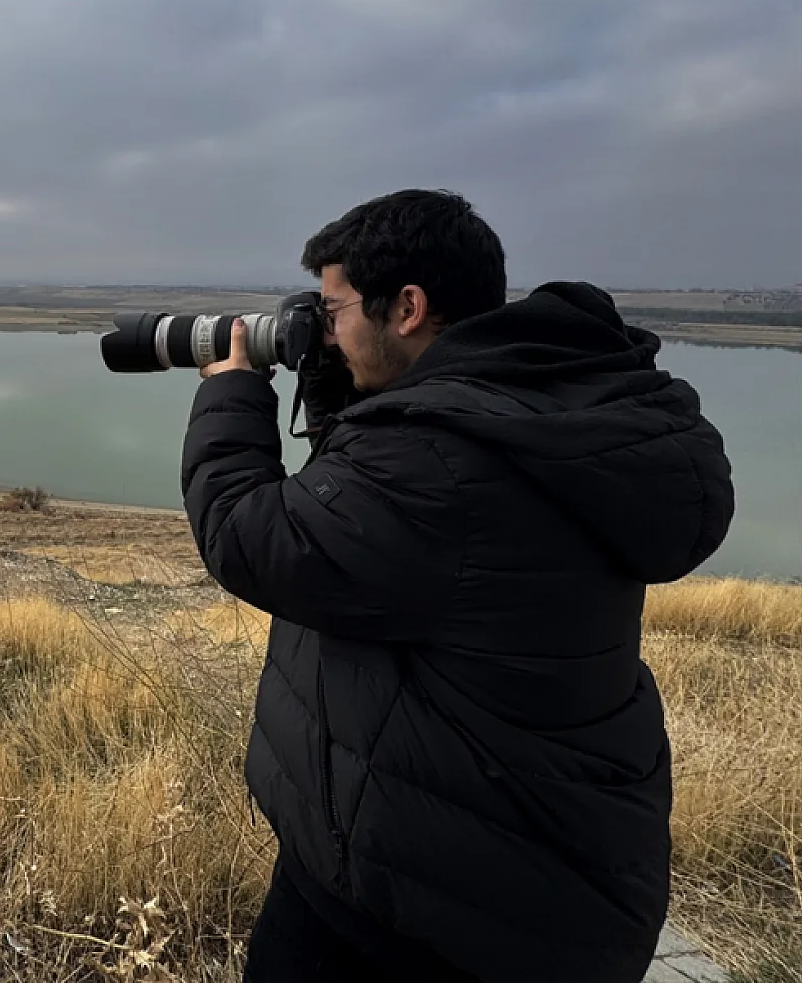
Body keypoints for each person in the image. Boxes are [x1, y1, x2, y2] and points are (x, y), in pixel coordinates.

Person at [182, 189, 734, 981]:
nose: (322, 331)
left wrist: (231, 389)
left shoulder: (436, 463)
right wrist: (353, 395)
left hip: (428, 907)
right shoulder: (531, 409)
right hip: (510, 864)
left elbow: (249, 532)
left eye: (333, 311)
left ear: (407, 306)